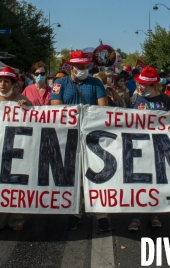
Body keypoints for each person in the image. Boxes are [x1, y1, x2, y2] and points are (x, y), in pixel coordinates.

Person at [50, 50, 110, 232]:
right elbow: (55, 109)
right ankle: (75, 213)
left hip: (92, 137)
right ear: (71, 67)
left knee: (98, 173)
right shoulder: (59, 84)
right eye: (80, 67)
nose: (83, 70)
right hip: (68, 136)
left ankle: (101, 214)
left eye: (85, 67)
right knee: (74, 175)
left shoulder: (96, 83)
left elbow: (103, 108)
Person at [128, 66, 170, 231]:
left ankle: (155, 214)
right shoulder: (134, 100)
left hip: (159, 147)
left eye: (144, 85)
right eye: (139, 84)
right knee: (139, 182)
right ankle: (135, 217)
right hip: (139, 147)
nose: (140, 87)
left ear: (154, 86)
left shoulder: (165, 100)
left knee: (157, 181)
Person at [0, 66, 30, 232]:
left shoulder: (22, 99)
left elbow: (35, 121)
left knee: (15, 185)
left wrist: (27, 107)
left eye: (6, 81)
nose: (2, 84)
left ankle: (16, 219)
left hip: (17, 149)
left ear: (13, 83)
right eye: (0, 81)